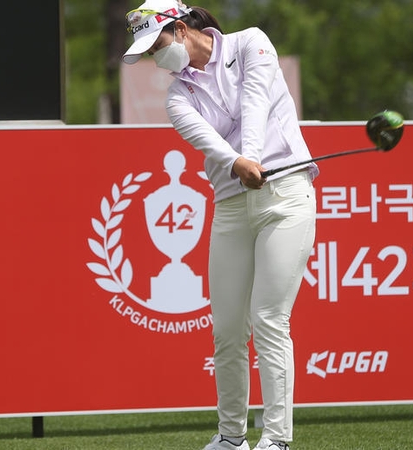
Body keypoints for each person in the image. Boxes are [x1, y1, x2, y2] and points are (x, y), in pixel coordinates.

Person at [123, 1, 318, 449]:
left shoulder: (251, 42)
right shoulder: (177, 96)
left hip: (285, 195)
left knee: (269, 319)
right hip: (231, 207)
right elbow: (207, 141)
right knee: (227, 330)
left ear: (180, 28)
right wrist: (238, 163)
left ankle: (276, 440)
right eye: (150, 53)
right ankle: (231, 438)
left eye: (158, 44)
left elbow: (255, 102)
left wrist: (250, 155)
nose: (157, 57)